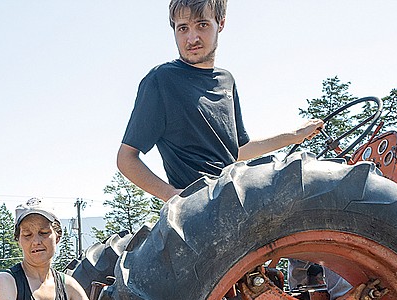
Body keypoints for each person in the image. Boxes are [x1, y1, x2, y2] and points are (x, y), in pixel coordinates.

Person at [116, 0, 324, 202]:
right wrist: (172, 196)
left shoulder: (227, 80)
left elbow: (238, 152)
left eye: (202, 25)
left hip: (232, 198)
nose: (192, 38)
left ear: (221, 23)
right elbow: (126, 158)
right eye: (183, 28)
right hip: (199, 209)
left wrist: (295, 136)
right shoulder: (162, 80)